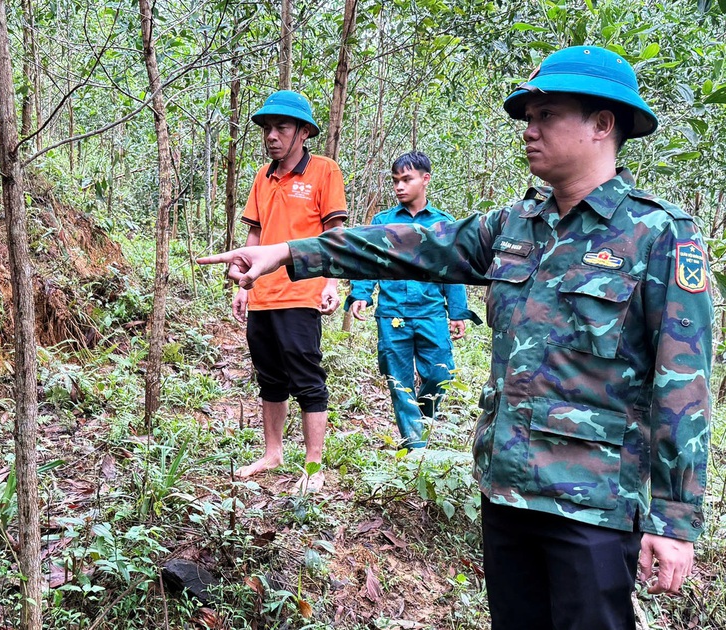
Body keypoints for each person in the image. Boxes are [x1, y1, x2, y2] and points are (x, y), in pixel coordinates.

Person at [201, 46, 709, 629]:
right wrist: (289, 252)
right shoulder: (515, 225)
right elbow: (405, 246)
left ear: (602, 124)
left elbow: (684, 385)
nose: (529, 130)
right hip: (505, 492)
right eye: (528, 117)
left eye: (547, 115)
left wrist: (675, 521)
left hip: (593, 507)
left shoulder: (659, 235)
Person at [232, 90, 348, 492]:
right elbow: (255, 233)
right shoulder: (262, 177)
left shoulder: (324, 171)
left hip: (301, 293)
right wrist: (243, 283)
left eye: (281, 127)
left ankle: (313, 466)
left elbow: (335, 234)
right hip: (262, 294)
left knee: (307, 379)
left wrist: (331, 282)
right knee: (269, 377)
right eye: (267, 128)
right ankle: (273, 453)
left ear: (303, 132)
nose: (272, 135)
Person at [346, 151, 479, 450]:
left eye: (406, 179)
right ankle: (415, 447)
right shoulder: (383, 222)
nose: (399, 186)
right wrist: (361, 294)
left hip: (431, 313)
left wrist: (458, 312)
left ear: (425, 179)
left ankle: (420, 422)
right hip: (392, 314)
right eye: (395, 181)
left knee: (440, 374)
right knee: (398, 380)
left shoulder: (443, 224)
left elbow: (454, 270)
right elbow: (368, 262)